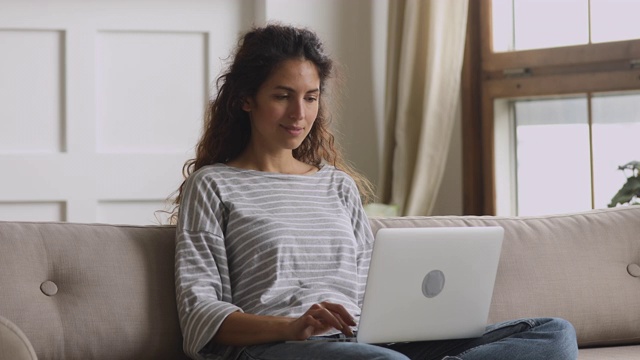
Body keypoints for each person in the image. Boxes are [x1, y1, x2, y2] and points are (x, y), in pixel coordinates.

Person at [172, 23, 578, 360]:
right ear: (246, 99)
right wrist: (293, 326)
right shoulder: (213, 186)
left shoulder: (337, 185)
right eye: (282, 96)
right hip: (280, 347)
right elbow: (200, 313)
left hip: (368, 345)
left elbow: (375, 289)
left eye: (311, 97)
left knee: (553, 335)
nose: (300, 114)